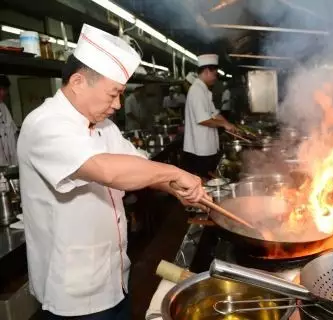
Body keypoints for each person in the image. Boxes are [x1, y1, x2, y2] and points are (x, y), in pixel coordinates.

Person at [17, 24, 207, 319]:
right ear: (79, 82)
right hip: (74, 294)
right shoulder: (45, 124)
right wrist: (174, 172)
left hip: (115, 278)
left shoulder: (103, 126)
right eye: (113, 94)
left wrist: (176, 188)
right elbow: (106, 170)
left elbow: (138, 164)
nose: (117, 104)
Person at [183, 54, 236, 178]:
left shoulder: (204, 90)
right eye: (215, 74)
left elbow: (214, 113)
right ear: (207, 71)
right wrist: (224, 124)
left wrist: (229, 124)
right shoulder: (196, 91)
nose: (215, 78)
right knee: (204, 182)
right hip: (200, 149)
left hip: (207, 147)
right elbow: (202, 120)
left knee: (209, 179)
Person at [0, 75, 17, 166]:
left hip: (8, 162)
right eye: (2, 89)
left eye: (5, 90)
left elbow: (11, 132)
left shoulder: (3, 107)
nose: (4, 93)